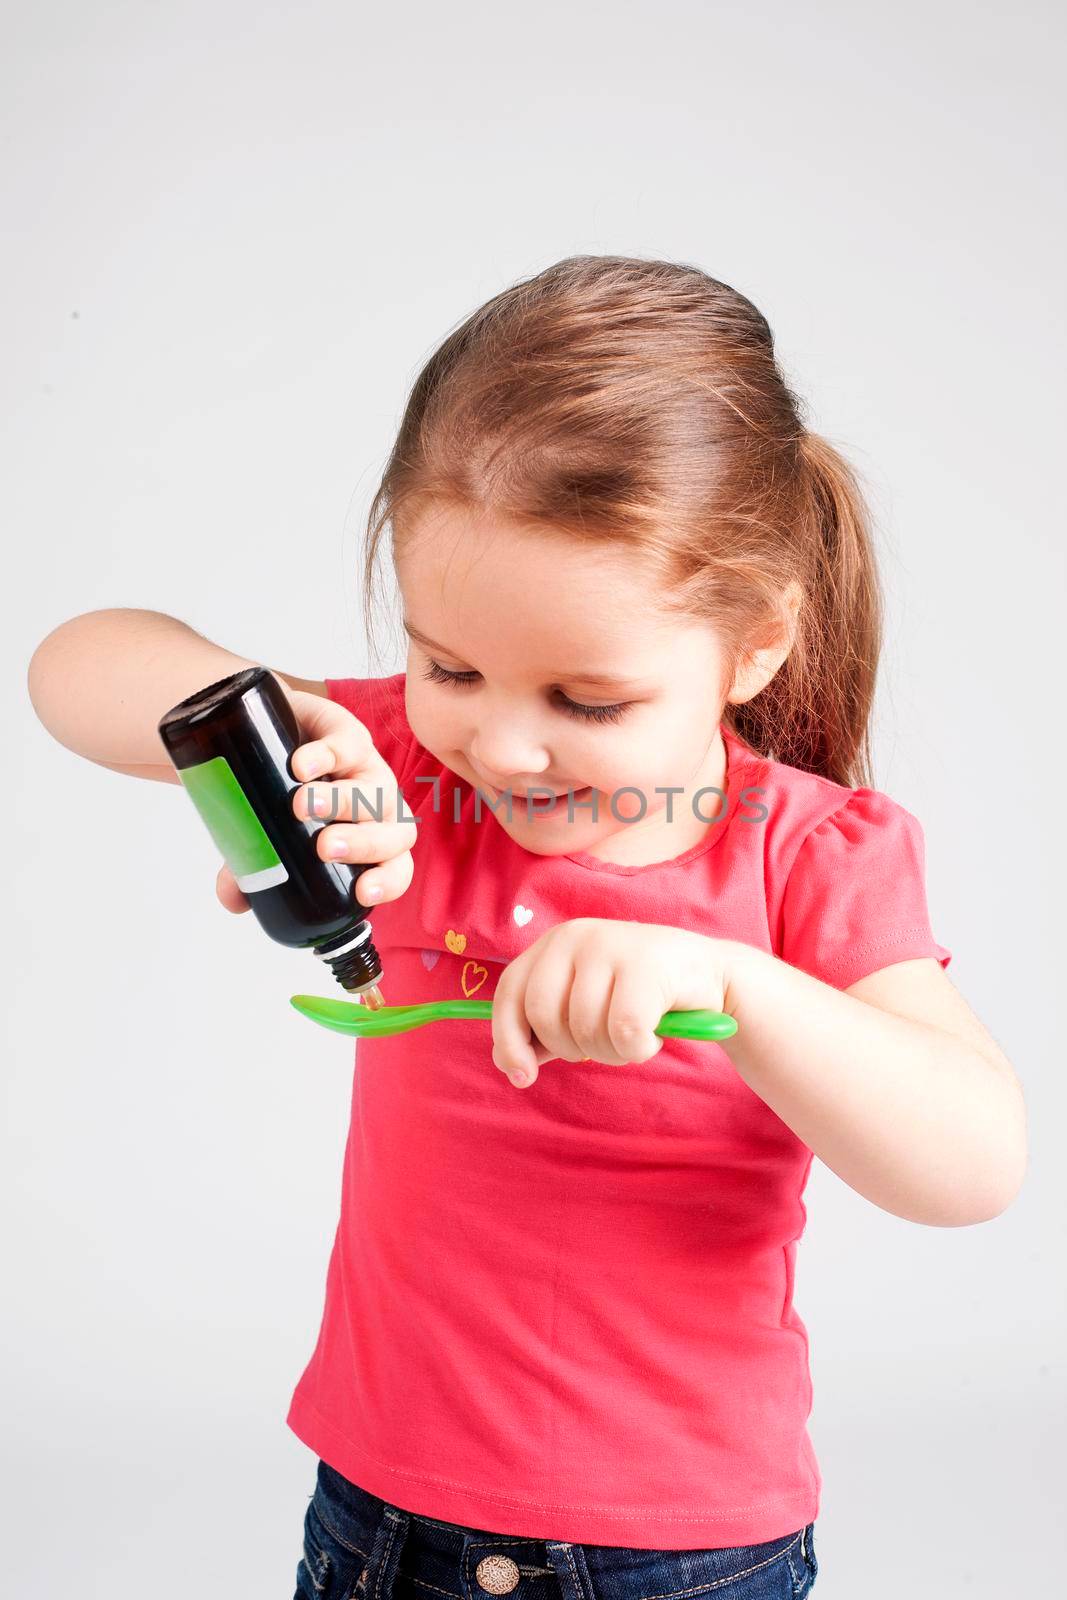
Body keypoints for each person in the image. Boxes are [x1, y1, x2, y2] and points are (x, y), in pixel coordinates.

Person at [28, 255, 1027, 1600]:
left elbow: (971, 1165)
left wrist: (737, 985)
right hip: (377, 1521)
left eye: (587, 698)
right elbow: (71, 668)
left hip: (684, 1561)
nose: (502, 742)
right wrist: (258, 722)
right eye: (450, 665)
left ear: (753, 646)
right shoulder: (395, 770)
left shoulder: (804, 856)